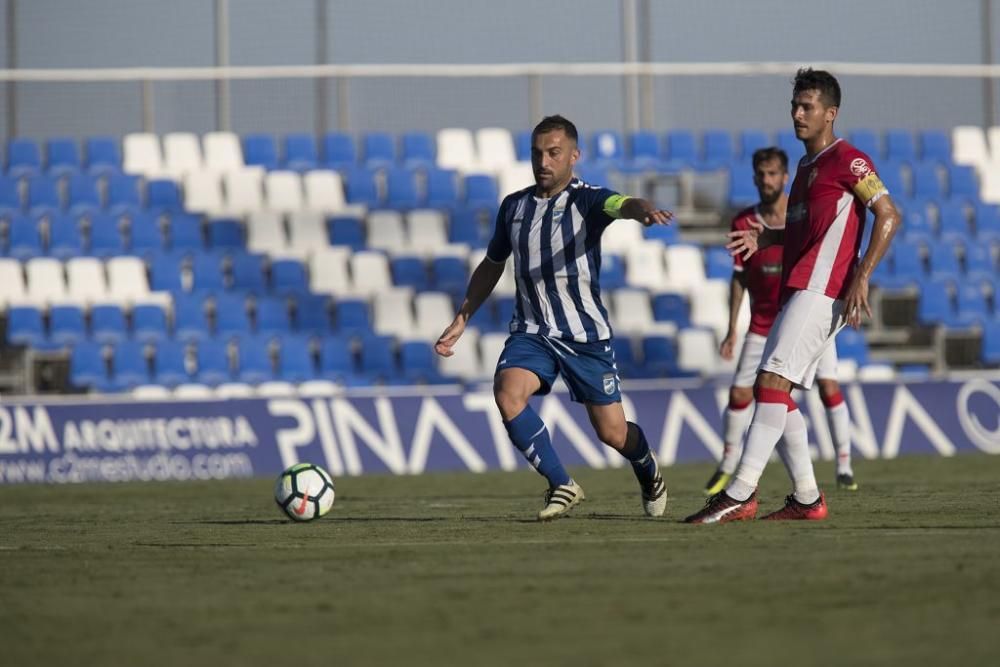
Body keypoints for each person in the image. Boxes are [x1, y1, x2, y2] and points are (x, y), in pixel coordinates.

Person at [687, 68, 900, 524]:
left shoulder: (850, 160)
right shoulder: (805, 166)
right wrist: (767, 240)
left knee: (771, 384)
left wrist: (862, 275)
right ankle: (807, 498)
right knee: (776, 392)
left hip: (824, 290)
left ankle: (740, 492)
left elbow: (888, 214)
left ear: (831, 114)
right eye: (795, 106)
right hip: (799, 286)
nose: (798, 113)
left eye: (807, 107)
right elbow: (806, 231)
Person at [435, 114, 673, 521]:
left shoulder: (589, 200)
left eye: (553, 153)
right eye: (536, 153)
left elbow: (622, 203)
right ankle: (562, 484)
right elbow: (493, 264)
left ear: (574, 157)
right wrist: (463, 317)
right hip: (532, 331)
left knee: (612, 433)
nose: (543, 161)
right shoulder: (513, 207)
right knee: (507, 393)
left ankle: (647, 467)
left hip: (584, 337)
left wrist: (643, 208)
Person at [703, 147, 859, 497]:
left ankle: (842, 466)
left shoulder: (800, 210)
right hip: (763, 323)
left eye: (773, 173)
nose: (767, 180)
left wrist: (856, 280)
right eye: (761, 174)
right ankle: (735, 468)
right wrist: (732, 329)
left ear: (785, 176)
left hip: (808, 309)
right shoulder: (745, 221)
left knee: (825, 387)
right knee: (750, 391)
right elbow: (739, 278)